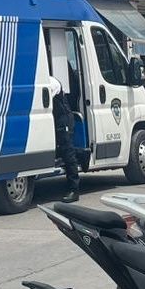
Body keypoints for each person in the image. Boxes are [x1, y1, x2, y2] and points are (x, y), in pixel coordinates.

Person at [49, 75, 80, 203]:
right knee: (62, 151)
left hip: (64, 121)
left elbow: (44, 99)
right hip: (55, 121)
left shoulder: (52, 82)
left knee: (68, 153)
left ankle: (74, 190)